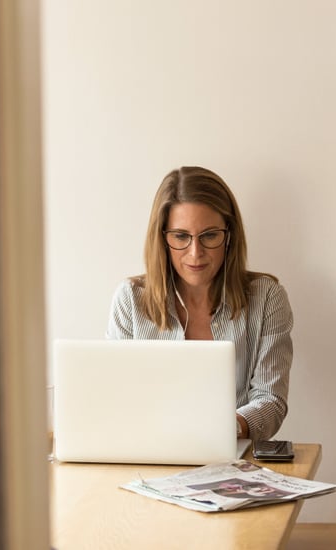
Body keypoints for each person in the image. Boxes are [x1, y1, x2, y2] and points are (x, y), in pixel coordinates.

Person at [106, 166, 293, 442]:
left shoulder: (267, 298)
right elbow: (116, 399)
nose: (196, 253)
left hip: (233, 460)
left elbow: (271, 400)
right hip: (148, 456)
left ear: (229, 235)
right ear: (163, 238)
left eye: (209, 235)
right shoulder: (130, 300)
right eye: (181, 236)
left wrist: (227, 427)